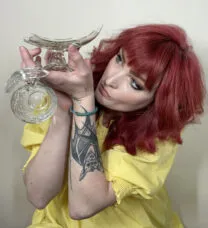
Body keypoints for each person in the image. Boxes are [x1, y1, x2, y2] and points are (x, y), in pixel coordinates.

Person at [19, 24, 205, 228]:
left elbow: (83, 206)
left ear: (158, 101)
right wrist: (62, 113)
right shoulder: (72, 87)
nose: (111, 80)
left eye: (135, 84)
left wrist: (83, 100)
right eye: (119, 59)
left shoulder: (158, 137)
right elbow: (38, 195)